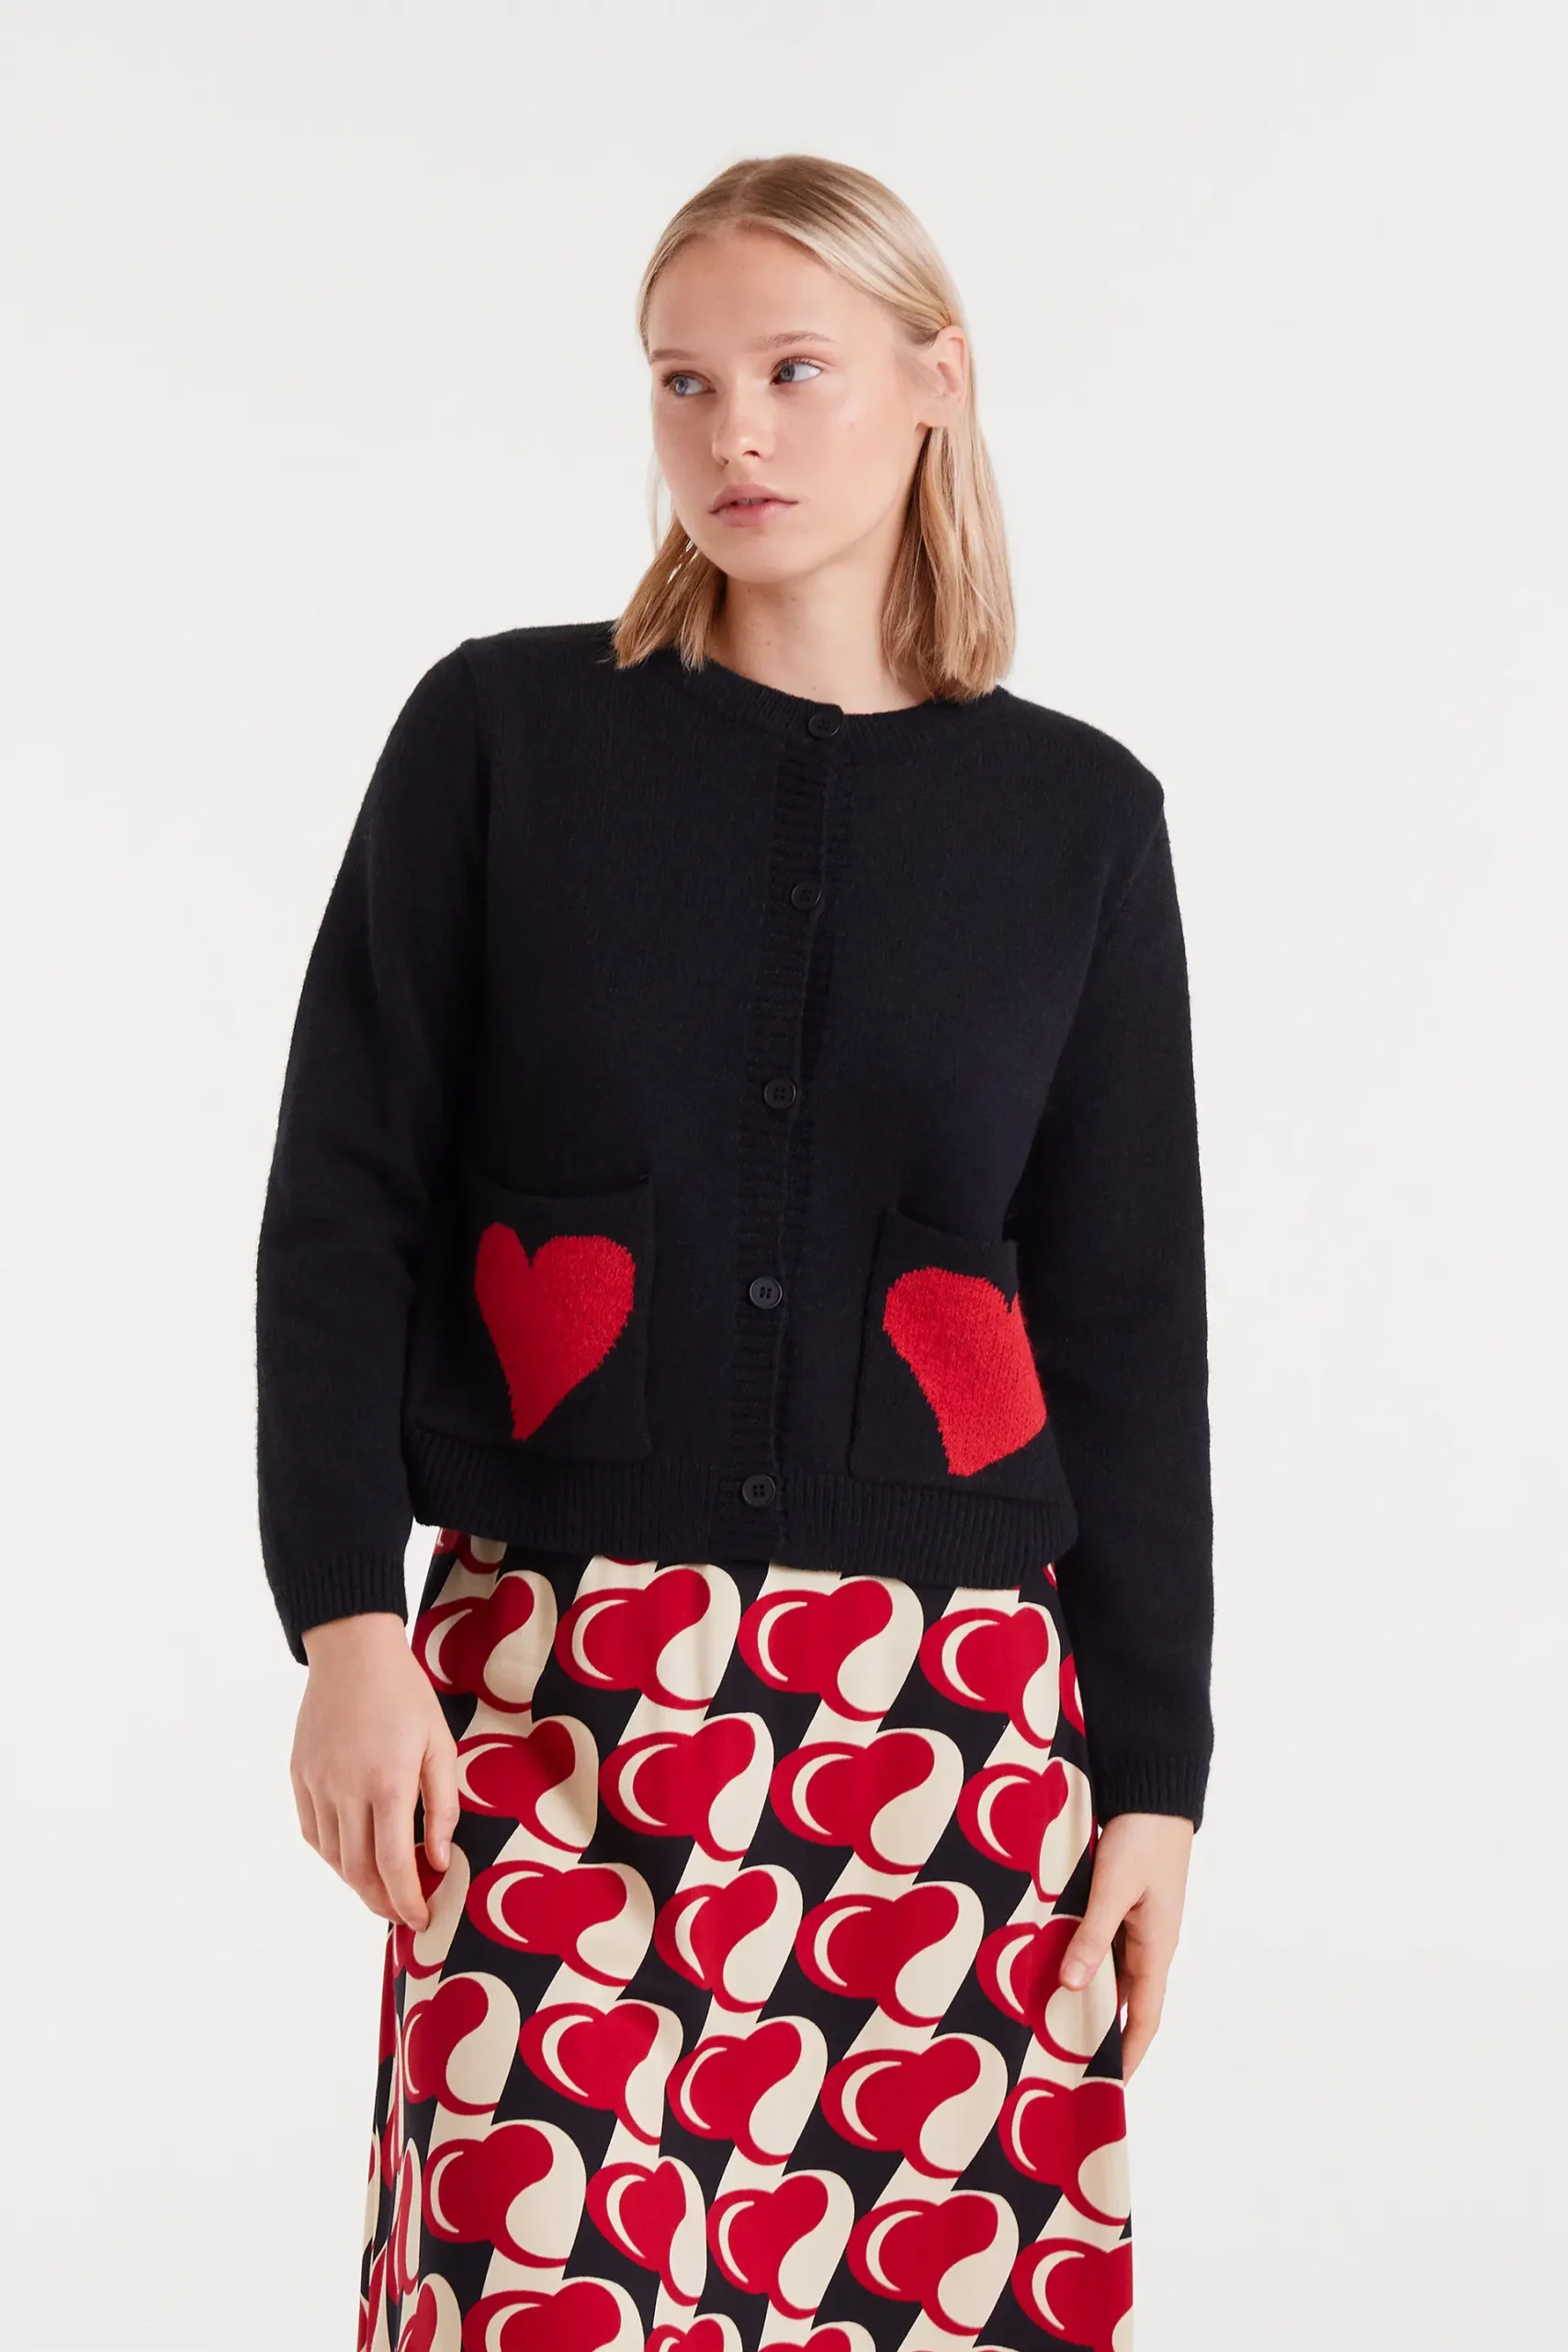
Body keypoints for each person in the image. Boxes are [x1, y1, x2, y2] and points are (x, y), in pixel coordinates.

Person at [255, 152, 1213, 2352]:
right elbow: (344, 1197)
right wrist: (341, 1616)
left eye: (792, 370)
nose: (732, 434)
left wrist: (1155, 1772)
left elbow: (1124, 1322)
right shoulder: (501, 736)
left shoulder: (1079, 820)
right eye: (682, 382)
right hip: (547, 1694)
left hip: (946, 1729)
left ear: (937, 381)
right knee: (528, 2289)